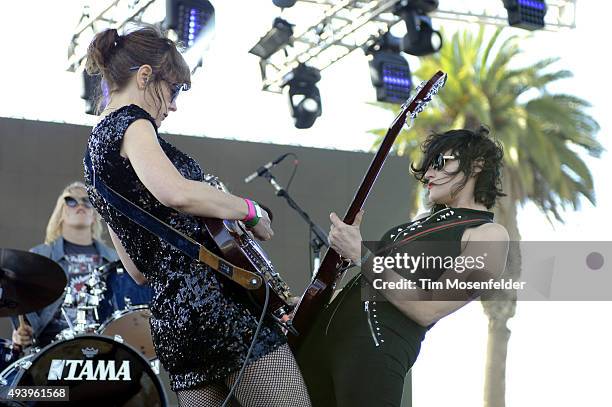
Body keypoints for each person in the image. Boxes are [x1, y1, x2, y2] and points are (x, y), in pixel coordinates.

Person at [83, 26, 311, 406]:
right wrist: (250, 210)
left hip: (173, 323)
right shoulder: (133, 123)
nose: (173, 104)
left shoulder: (92, 164)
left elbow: (137, 270)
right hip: (218, 306)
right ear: (144, 75)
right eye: (173, 89)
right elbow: (177, 192)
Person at [296, 127, 510, 407]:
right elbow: (373, 292)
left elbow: (428, 308)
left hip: (372, 355)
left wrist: (362, 255)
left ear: (478, 164)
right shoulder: (417, 225)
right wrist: (303, 301)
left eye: (440, 163)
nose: (429, 175)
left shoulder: (489, 235)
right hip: (317, 345)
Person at [9, 182, 152, 353]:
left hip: (104, 345)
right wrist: (23, 333)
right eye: (71, 201)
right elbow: (23, 306)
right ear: (61, 212)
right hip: (51, 347)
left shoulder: (116, 259)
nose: (80, 205)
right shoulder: (40, 256)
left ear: (95, 214)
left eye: (87, 201)